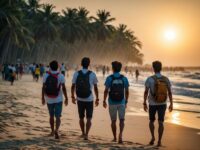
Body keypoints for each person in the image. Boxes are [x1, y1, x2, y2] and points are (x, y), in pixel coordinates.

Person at [143, 61, 173, 147]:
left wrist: (144, 103)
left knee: (151, 121)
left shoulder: (150, 79)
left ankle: (153, 138)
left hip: (152, 104)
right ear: (161, 68)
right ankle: (159, 141)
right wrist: (171, 104)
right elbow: (170, 92)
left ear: (153, 68)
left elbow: (146, 92)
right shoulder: (166, 79)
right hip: (163, 103)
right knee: (161, 122)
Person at [71, 57, 99, 140]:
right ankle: (86, 134)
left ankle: (82, 133)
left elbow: (73, 86)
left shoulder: (77, 73)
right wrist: (97, 98)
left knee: (81, 117)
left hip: (79, 98)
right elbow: (95, 87)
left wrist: (73, 96)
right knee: (89, 118)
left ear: (81, 64)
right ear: (89, 64)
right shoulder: (92, 74)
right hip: (89, 99)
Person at [103, 61, 129, 144]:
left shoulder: (109, 78)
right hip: (121, 102)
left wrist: (104, 100)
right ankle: (120, 135)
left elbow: (106, 91)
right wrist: (126, 101)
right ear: (120, 68)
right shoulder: (124, 78)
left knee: (113, 121)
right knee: (122, 120)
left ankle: (114, 137)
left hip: (112, 102)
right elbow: (127, 91)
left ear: (113, 68)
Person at [42, 60, 68, 139]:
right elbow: (63, 88)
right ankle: (57, 130)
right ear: (58, 67)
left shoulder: (45, 75)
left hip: (49, 99)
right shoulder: (61, 75)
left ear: (50, 67)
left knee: (51, 116)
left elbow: (43, 87)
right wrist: (66, 98)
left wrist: (42, 98)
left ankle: (52, 131)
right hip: (58, 99)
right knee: (58, 117)